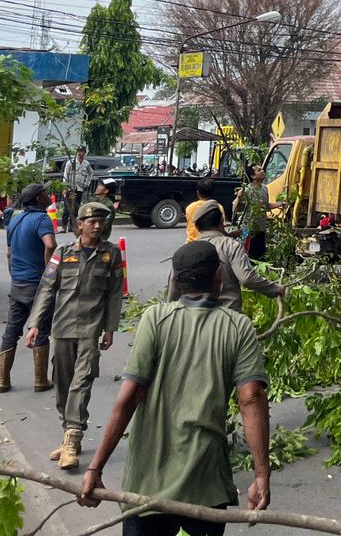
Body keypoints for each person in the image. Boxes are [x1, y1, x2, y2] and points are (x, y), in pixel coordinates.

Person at [79, 240, 271, 536]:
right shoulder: (238, 326)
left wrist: (95, 468)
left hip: (147, 485)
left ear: (175, 280)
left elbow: (130, 397)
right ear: (218, 277)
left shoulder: (155, 319)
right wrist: (261, 475)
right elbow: (251, 399)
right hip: (204, 485)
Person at [26, 202, 126, 471]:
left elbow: (115, 293)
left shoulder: (111, 254)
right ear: (79, 224)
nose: (97, 225)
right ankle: (68, 432)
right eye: (91, 221)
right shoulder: (63, 252)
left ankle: (73, 438)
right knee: (62, 384)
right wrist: (35, 323)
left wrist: (110, 329)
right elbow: (47, 288)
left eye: (101, 221)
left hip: (90, 330)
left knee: (82, 383)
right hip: (62, 328)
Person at [167, 202, 285, 312]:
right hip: (228, 313)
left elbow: (173, 288)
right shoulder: (230, 246)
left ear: (197, 227)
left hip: (192, 316)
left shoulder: (186, 251)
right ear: (221, 222)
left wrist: (171, 313)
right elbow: (247, 278)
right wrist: (275, 289)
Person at [0, 182, 57, 393]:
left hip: (18, 283)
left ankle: (3, 381)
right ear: (38, 198)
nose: (49, 195)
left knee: (11, 330)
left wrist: (14, 275)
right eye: (45, 193)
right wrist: (48, 271)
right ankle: (41, 380)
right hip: (36, 284)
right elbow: (50, 244)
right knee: (40, 328)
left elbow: (8, 253)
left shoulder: (14, 220)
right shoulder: (42, 219)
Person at [234, 167, 271, 261]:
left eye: (262, 169)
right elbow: (235, 208)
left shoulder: (265, 188)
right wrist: (238, 197)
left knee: (260, 256)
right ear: (252, 176)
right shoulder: (247, 190)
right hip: (249, 229)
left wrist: (281, 204)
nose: (263, 171)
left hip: (261, 228)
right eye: (259, 170)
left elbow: (266, 206)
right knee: (248, 255)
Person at [64, 147, 95, 218]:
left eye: (82, 151)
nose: (80, 153)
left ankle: (73, 226)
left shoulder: (86, 163)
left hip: (79, 189)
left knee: (76, 207)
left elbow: (91, 173)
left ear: (84, 153)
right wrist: (65, 187)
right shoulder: (71, 162)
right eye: (78, 151)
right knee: (67, 208)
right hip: (70, 189)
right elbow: (65, 175)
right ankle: (64, 226)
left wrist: (87, 183)